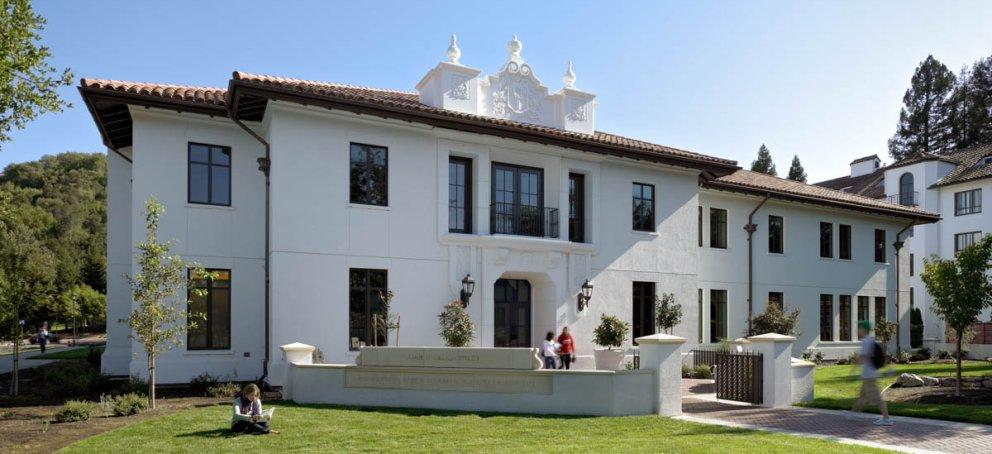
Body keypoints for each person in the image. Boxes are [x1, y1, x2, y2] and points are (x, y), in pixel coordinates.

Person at [852, 320, 893, 426]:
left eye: (859, 328)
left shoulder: (865, 342)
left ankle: (887, 418)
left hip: (869, 376)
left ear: (864, 329)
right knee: (863, 397)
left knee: (877, 398)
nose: (857, 330)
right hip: (868, 375)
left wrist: (854, 368)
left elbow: (862, 357)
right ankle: (854, 413)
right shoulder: (869, 341)